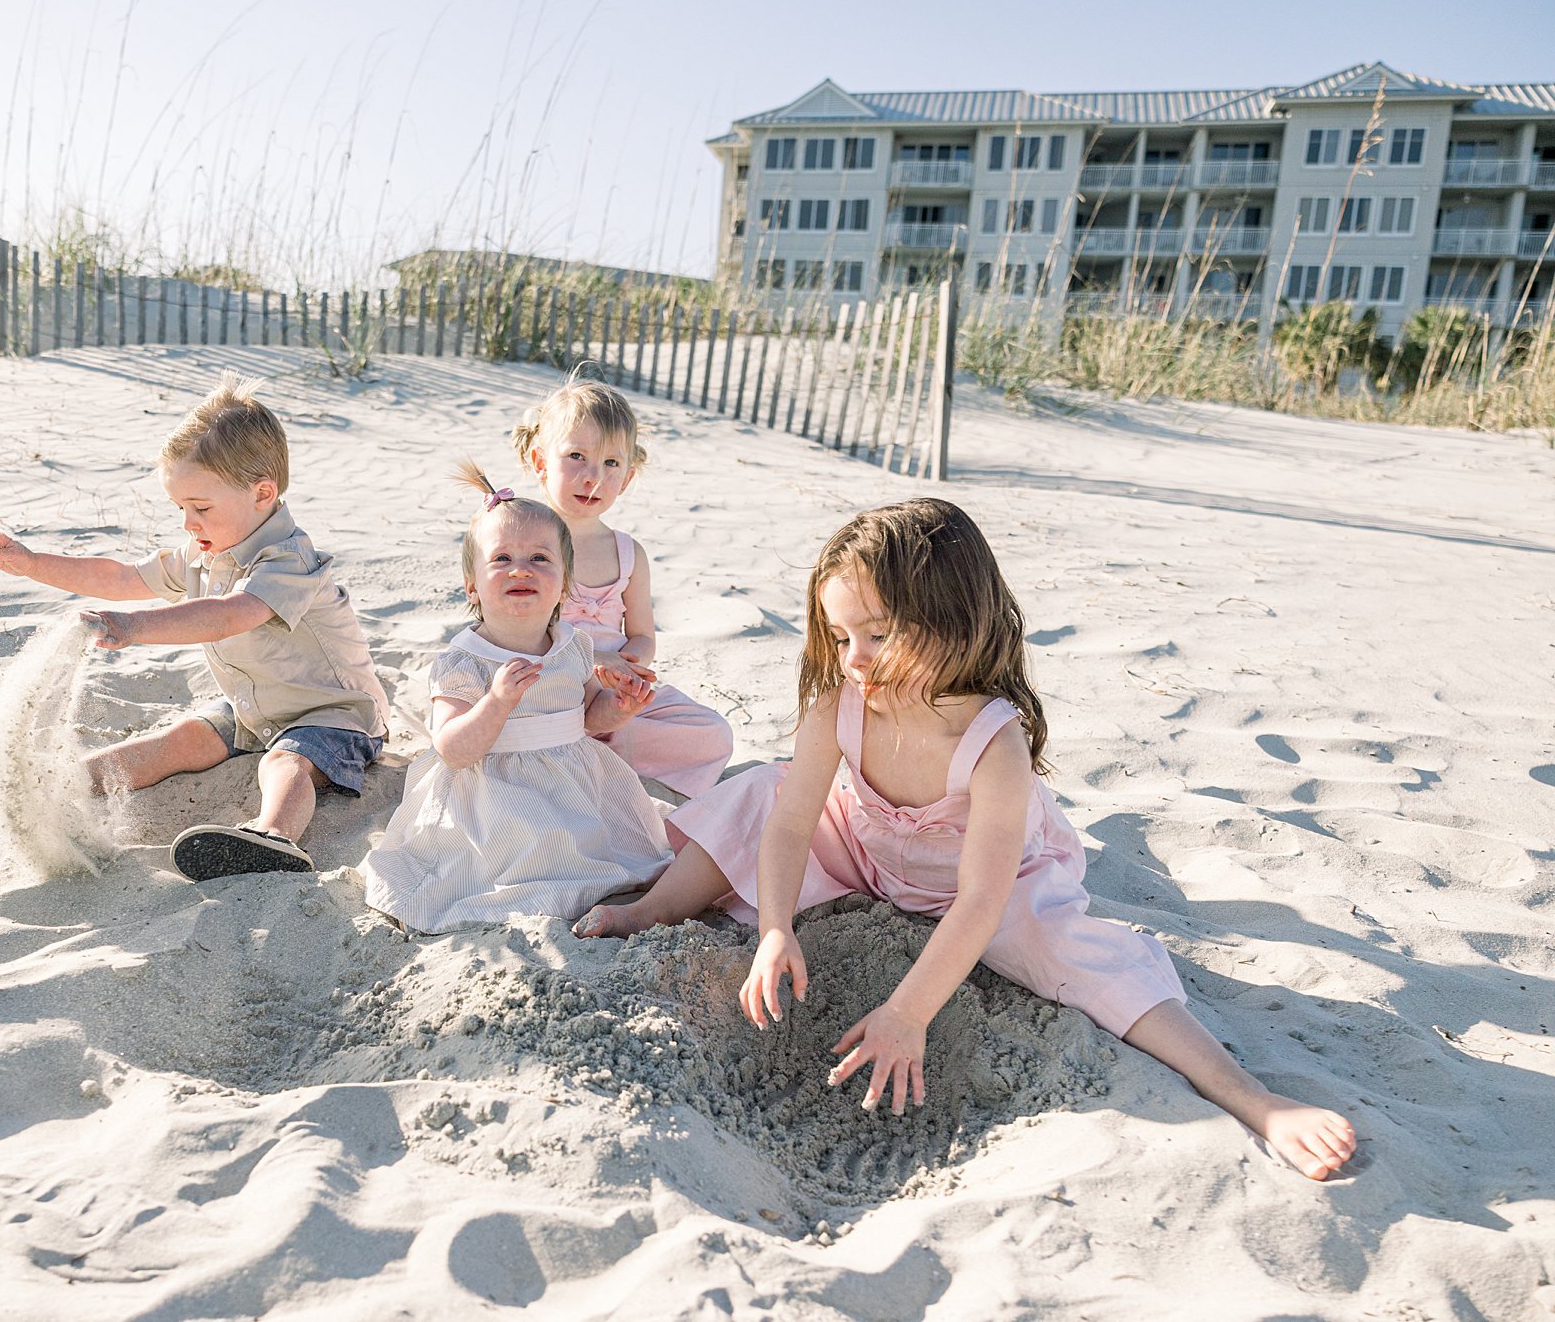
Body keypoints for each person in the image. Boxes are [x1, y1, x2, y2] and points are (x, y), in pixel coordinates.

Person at [575, 499, 1357, 1180]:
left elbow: (983, 901)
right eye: (841, 636)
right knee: (756, 790)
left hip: (989, 880)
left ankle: (1255, 1099)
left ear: (950, 619)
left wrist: (907, 1012)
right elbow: (788, 824)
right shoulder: (841, 702)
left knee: (1073, 956)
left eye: (877, 634)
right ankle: (652, 909)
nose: (856, 660)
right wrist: (776, 926)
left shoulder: (993, 739)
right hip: (867, 846)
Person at [0, 372, 388, 881]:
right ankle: (57, 779)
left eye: (201, 508)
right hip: (256, 707)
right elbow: (119, 576)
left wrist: (135, 626)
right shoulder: (202, 553)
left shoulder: (289, 562)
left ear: (262, 492)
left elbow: (230, 615)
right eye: (180, 508)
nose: (189, 522)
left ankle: (273, 836)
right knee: (182, 739)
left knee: (287, 761)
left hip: (333, 714)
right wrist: (33, 563)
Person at [362, 464, 670, 932]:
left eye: (540, 559)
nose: (520, 568)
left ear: (564, 586)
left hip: (569, 778)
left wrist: (619, 708)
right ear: (472, 587)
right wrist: (496, 703)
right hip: (493, 790)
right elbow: (452, 749)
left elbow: (588, 718)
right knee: (528, 843)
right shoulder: (464, 661)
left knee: (597, 844)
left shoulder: (571, 646)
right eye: (501, 558)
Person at [511, 378, 733, 797]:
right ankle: (585, 744)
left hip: (612, 690)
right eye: (576, 456)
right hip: (551, 682)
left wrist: (629, 667)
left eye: (611, 463)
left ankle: (605, 744)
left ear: (628, 478)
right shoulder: (526, 541)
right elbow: (522, 634)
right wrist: (598, 658)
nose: (593, 477)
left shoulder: (629, 553)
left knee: (714, 733)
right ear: (541, 463)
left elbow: (642, 634)